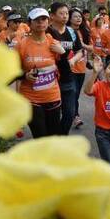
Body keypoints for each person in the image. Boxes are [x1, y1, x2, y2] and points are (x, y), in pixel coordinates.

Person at [17, 8, 66, 138]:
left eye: (43, 19)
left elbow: (66, 72)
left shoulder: (53, 43)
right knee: (40, 137)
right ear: (29, 23)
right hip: (31, 98)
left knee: (53, 136)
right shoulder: (22, 45)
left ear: (48, 21)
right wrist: (24, 76)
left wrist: (63, 54)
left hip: (52, 96)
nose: (40, 23)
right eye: (36, 20)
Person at [47, 2, 85, 135]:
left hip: (69, 78)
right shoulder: (47, 32)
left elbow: (80, 51)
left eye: (66, 13)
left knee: (69, 113)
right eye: (61, 13)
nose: (65, 16)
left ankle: (60, 137)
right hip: (51, 79)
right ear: (52, 16)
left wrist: (73, 60)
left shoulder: (72, 32)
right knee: (54, 115)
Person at [68, 8, 92, 129]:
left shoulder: (85, 31)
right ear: (69, 19)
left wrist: (82, 44)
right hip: (70, 68)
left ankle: (70, 112)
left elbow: (91, 48)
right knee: (73, 92)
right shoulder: (65, 31)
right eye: (75, 16)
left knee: (76, 94)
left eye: (80, 17)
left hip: (81, 68)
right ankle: (75, 116)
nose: (78, 18)